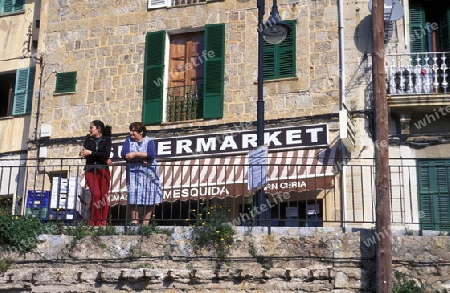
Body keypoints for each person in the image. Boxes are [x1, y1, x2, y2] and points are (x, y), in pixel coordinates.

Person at [121, 122, 162, 226]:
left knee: (149, 195)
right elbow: (124, 154)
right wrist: (141, 158)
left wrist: (135, 154)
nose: (131, 133)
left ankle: (145, 222)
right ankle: (134, 220)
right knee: (133, 195)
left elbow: (152, 154)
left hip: (149, 173)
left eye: (134, 130)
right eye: (130, 130)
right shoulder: (128, 141)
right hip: (133, 172)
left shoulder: (149, 141)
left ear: (141, 132)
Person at [79, 120, 112, 226]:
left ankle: (102, 221)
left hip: (103, 170)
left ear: (99, 129)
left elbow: (106, 154)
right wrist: (98, 155)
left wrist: (91, 153)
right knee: (96, 194)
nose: (89, 130)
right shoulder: (88, 138)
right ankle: (93, 220)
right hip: (90, 169)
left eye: (91, 127)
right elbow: (87, 153)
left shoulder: (107, 139)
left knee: (103, 196)